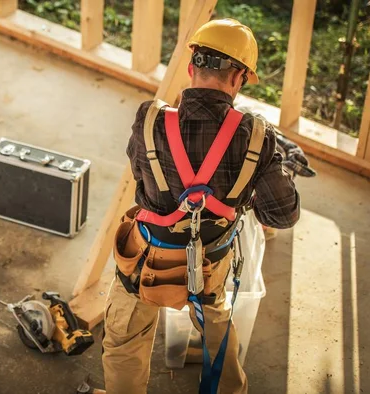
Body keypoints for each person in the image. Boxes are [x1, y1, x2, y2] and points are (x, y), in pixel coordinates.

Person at [100, 19, 303, 394]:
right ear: (239, 77)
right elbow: (282, 216)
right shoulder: (258, 136)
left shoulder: (149, 119)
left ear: (192, 67)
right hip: (210, 262)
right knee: (217, 328)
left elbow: (140, 175)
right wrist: (275, 169)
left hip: (146, 258)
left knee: (126, 339)